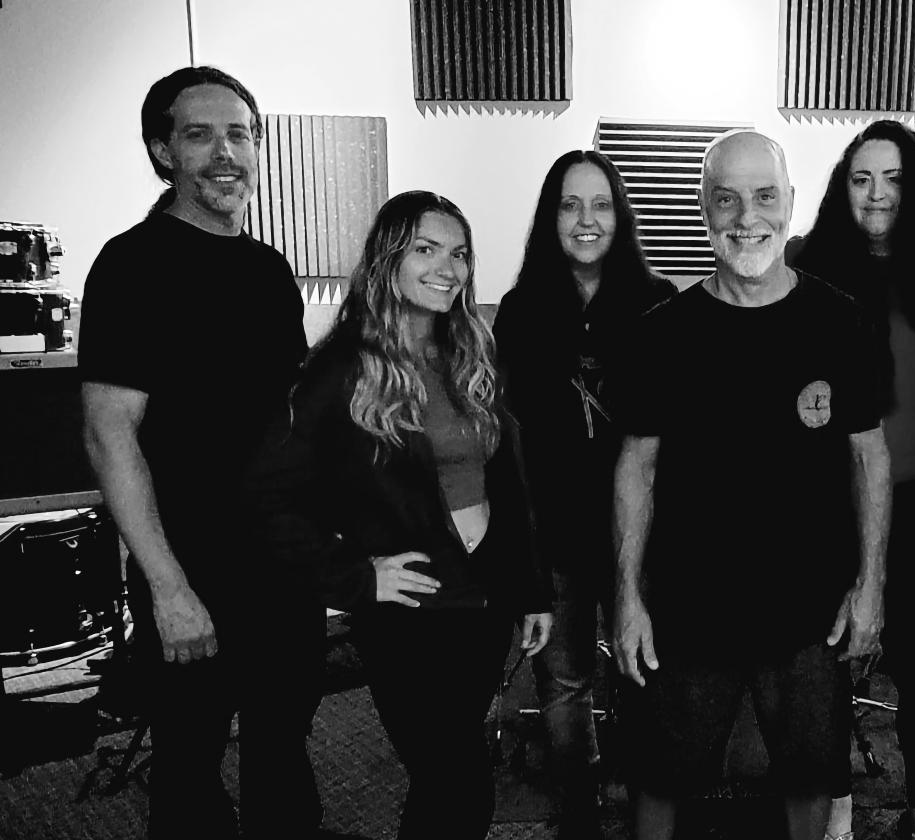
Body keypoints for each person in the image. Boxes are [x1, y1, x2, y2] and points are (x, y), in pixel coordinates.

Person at [243, 191, 553, 839]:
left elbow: (511, 482)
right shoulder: (339, 370)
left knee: (450, 778)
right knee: (459, 782)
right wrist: (358, 576)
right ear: (389, 258)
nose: (449, 267)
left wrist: (529, 589)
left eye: (460, 253)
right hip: (408, 615)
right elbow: (270, 498)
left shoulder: (471, 350)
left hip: (483, 603)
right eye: (427, 249)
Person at [609, 130, 892, 840]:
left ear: (790, 203)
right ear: (702, 207)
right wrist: (628, 597)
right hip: (687, 602)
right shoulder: (660, 333)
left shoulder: (839, 318)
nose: (746, 217)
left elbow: (870, 458)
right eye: (726, 198)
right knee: (661, 778)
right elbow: (635, 468)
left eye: (765, 196)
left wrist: (871, 585)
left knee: (808, 778)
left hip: (807, 606)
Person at [80, 66, 319, 839]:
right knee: (189, 766)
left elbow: (288, 419)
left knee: (283, 749)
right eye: (200, 134)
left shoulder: (270, 270)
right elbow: (109, 433)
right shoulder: (131, 265)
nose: (226, 151)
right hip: (190, 571)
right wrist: (168, 587)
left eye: (241, 133)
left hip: (281, 568)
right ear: (163, 152)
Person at [788, 120, 915, 840]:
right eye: (862, 177)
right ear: (843, 187)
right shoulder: (807, 265)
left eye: (894, 178)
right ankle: (834, 806)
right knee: (822, 668)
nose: (877, 193)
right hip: (823, 501)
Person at [494, 150, 674, 839]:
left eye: (600, 204)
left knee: (644, 679)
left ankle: (644, 810)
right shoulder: (520, 309)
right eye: (571, 205)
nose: (586, 219)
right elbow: (510, 436)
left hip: (643, 535)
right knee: (561, 686)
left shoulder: (657, 302)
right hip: (555, 533)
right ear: (552, 217)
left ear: (620, 215)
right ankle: (578, 813)